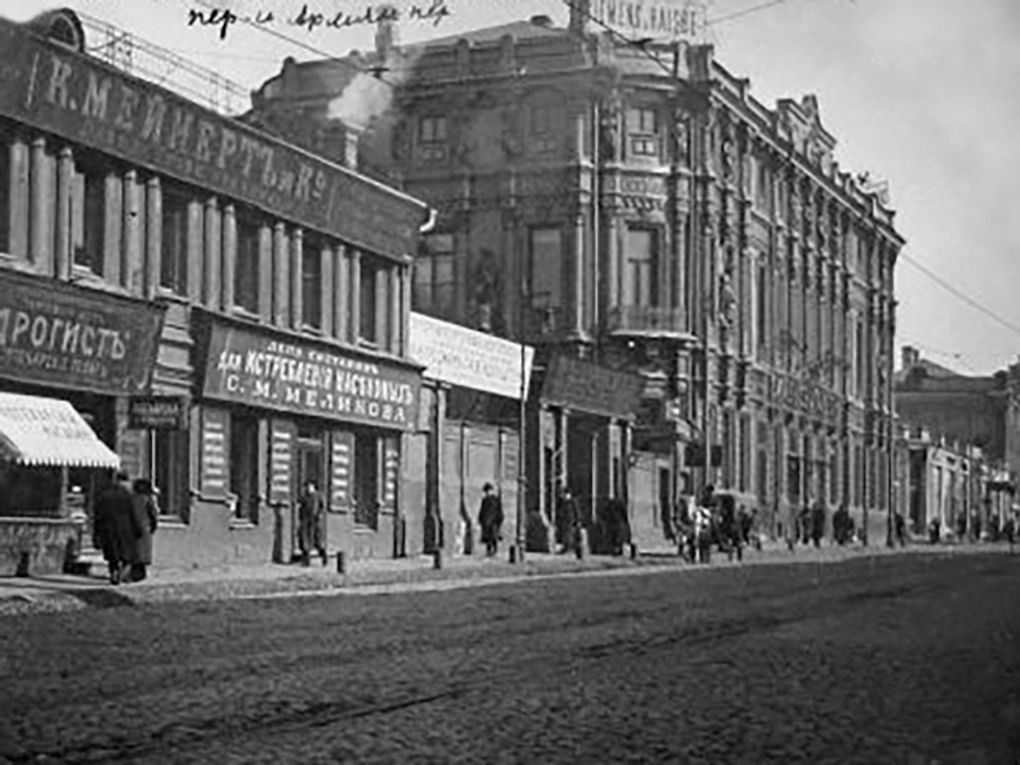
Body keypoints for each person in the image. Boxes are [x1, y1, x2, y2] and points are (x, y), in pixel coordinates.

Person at [93, 471, 139, 585]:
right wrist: (137, 529)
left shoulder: (104, 495)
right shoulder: (128, 496)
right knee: (126, 556)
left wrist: (96, 531)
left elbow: (98, 514)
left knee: (112, 555)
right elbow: (133, 514)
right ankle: (121, 574)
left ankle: (114, 573)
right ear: (124, 481)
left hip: (108, 529)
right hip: (125, 529)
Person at [127, 478, 159, 582]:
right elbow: (152, 514)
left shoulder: (131, 498)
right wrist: (154, 526)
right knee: (142, 552)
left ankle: (134, 572)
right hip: (145, 528)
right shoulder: (147, 499)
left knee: (135, 552)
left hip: (132, 528)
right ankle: (140, 573)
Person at [297, 480, 327, 566]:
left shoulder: (318, 496)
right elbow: (301, 507)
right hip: (306, 520)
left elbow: (322, 508)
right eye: (306, 487)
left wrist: (319, 516)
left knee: (317, 540)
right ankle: (306, 561)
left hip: (315, 520)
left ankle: (323, 555)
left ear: (313, 487)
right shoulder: (305, 497)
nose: (308, 488)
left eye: (309, 486)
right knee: (304, 540)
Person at [478, 483, 504, 557]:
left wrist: (499, 520)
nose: (487, 493)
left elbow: (499, 511)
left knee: (493, 537)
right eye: (486, 492)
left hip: (493, 522)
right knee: (488, 538)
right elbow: (482, 511)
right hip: (487, 522)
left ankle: (494, 550)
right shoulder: (485, 500)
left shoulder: (495, 500)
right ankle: (489, 551)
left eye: (488, 491)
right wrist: (481, 519)